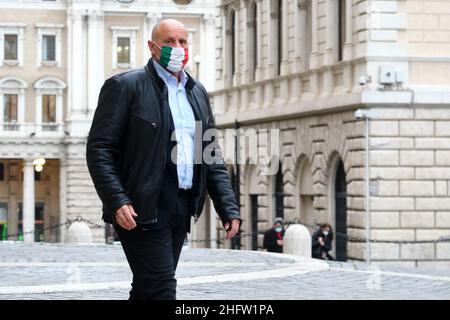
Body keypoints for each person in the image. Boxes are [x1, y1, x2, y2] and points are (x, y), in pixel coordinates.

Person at [86, 19, 241, 300]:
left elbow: (210, 154)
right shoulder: (125, 86)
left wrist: (228, 207)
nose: (177, 48)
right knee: (161, 290)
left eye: (183, 42)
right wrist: (117, 199)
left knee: (148, 289)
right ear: (152, 47)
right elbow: (100, 149)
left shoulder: (197, 92)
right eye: (169, 41)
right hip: (141, 208)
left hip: (181, 207)